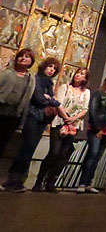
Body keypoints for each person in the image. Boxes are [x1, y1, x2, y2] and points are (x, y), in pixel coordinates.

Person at [3, 57, 69, 191]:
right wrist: (52, 100)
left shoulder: (49, 83)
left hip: (42, 119)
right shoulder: (37, 79)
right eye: (50, 67)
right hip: (32, 116)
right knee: (28, 146)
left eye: (54, 69)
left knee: (31, 149)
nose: (51, 70)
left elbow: (49, 98)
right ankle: (13, 178)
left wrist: (49, 98)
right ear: (44, 66)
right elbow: (38, 98)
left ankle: (19, 180)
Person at [34, 67, 90, 192]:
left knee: (63, 154)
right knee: (54, 151)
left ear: (85, 78)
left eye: (82, 74)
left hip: (73, 125)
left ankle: (51, 182)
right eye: (77, 73)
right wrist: (66, 117)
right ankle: (39, 181)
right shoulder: (65, 87)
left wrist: (74, 118)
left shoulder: (86, 92)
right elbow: (58, 103)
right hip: (60, 122)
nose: (78, 75)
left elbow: (85, 108)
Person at [78, 72, 106, 193]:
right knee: (92, 154)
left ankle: (89, 183)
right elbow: (93, 110)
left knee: (97, 157)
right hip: (96, 129)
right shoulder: (99, 94)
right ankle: (83, 182)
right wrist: (97, 128)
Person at [0, 48, 36, 159]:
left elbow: (27, 99)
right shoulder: (6, 73)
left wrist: (21, 123)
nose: (23, 58)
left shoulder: (30, 79)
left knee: (3, 143)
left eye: (27, 57)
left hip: (14, 114)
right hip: (1, 108)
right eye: (21, 56)